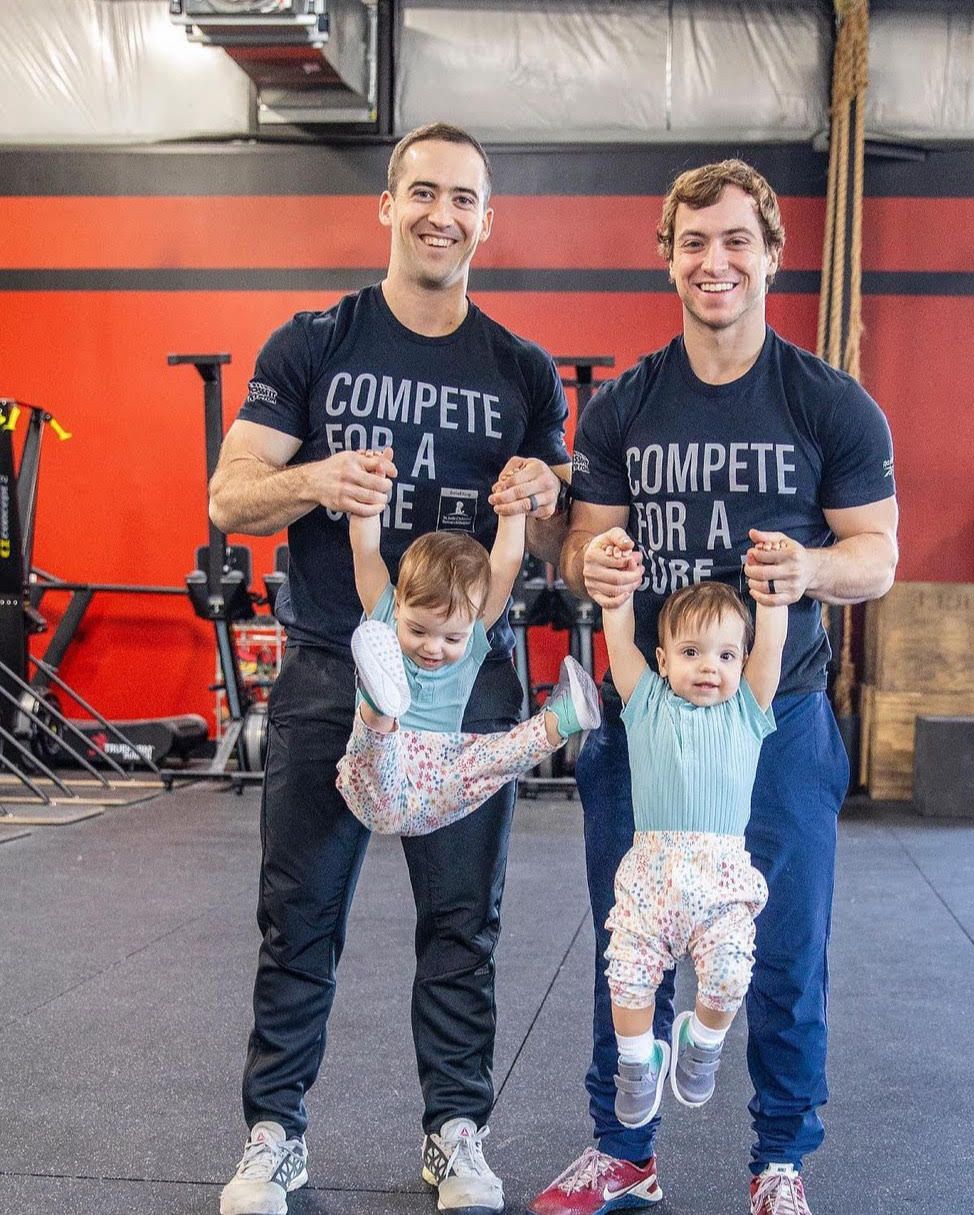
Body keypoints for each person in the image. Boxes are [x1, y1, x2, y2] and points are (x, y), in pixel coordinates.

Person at [210, 122, 573, 1215]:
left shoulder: (520, 370)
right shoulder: (312, 343)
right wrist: (318, 477)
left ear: (486, 220)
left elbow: (554, 542)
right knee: (300, 916)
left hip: (470, 686)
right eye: (423, 192)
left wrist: (542, 505)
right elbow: (230, 498)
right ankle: (276, 1135)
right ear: (387, 204)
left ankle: (454, 1133)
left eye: (464, 198)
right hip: (336, 666)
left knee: (464, 922)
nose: (441, 215)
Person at [529, 159, 898, 1215]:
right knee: (627, 949)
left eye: (737, 240)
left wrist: (813, 569)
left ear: (771, 255)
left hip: (773, 722)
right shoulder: (625, 407)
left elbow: (877, 555)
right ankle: (625, 1152)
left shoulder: (830, 403)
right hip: (649, 734)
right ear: (668, 258)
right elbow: (589, 549)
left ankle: (777, 1158)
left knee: (782, 950)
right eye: (694, 242)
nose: (715, 260)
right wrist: (589, 565)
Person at [599, 573, 786, 1133]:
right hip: (651, 880)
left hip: (722, 881)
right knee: (626, 978)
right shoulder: (646, 704)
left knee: (731, 976)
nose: (710, 666)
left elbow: (771, 645)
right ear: (661, 659)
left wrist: (772, 596)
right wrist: (616, 598)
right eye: (691, 652)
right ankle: (639, 1063)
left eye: (727, 655)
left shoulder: (747, 710)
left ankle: (699, 1040)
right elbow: (618, 638)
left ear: (743, 662)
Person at [337, 474, 600, 837]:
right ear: (398, 605)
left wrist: (512, 513)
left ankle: (565, 717)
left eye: (451, 638)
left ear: (473, 623)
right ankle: (379, 705)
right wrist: (367, 497)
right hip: (380, 782)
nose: (433, 647)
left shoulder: (475, 633)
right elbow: (365, 552)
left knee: (492, 759)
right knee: (376, 752)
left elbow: (505, 564)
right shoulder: (384, 613)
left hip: (440, 779)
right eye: (417, 631)